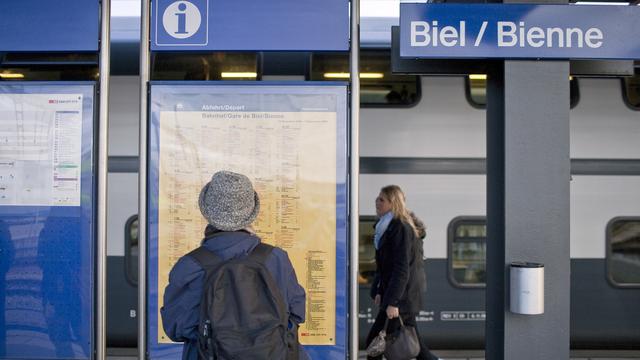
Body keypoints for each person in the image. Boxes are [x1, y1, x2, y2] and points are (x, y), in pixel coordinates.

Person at [161, 170, 308, 360]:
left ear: (207, 212)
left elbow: (176, 327)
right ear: (251, 214)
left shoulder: (190, 265)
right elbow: (297, 314)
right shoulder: (275, 258)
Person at [365, 185, 438, 360]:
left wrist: (393, 302)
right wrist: (379, 291)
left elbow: (401, 268)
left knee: (374, 344)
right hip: (398, 295)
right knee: (416, 347)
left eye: (382, 199)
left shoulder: (400, 228)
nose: (377, 201)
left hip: (401, 297)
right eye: (378, 197)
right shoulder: (386, 227)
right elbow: (384, 267)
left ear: (393, 203)